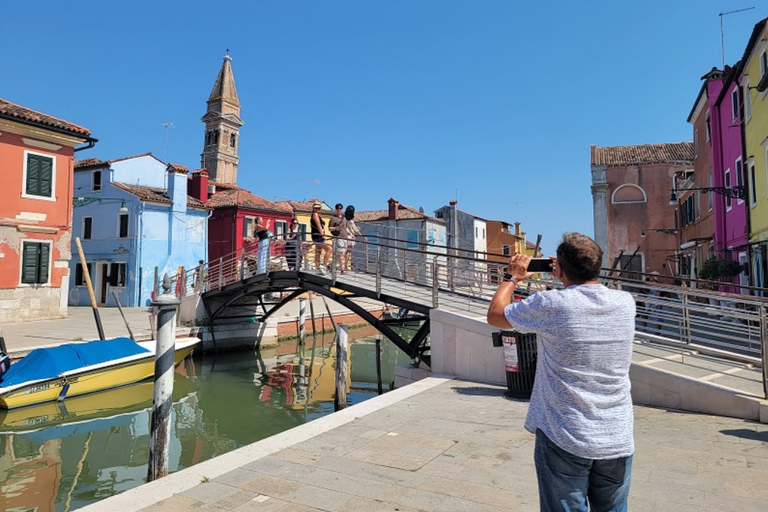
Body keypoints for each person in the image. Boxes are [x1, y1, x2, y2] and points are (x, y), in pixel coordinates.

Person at [486, 232, 635, 512]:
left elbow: (496, 314)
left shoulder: (552, 303)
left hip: (564, 433)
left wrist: (513, 277)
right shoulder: (626, 303)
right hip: (616, 435)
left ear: (561, 268)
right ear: (597, 266)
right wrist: (567, 276)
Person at [310, 203, 331, 274]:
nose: (317, 210)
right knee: (329, 249)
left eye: (318, 208)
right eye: (316, 208)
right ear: (313, 209)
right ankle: (324, 266)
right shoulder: (315, 215)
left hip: (316, 235)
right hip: (318, 236)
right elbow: (319, 226)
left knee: (318, 252)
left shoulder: (317, 215)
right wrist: (323, 235)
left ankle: (317, 268)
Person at [340, 205, 361, 272]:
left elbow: (346, 227)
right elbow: (353, 228)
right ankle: (345, 266)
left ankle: (343, 266)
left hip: (345, 236)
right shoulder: (351, 219)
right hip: (350, 237)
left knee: (344, 252)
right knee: (348, 252)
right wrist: (359, 234)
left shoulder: (344, 218)